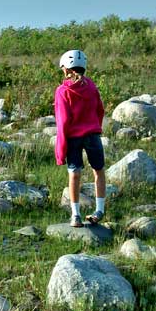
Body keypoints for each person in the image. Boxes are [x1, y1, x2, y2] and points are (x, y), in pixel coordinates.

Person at [54, 50, 106, 227]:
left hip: (73, 138)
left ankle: (75, 215)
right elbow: (100, 110)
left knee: (74, 174)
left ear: (66, 70)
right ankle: (99, 210)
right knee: (98, 171)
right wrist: (95, 126)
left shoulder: (62, 91)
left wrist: (60, 152)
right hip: (93, 135)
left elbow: (63, 122)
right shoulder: (91, 86)